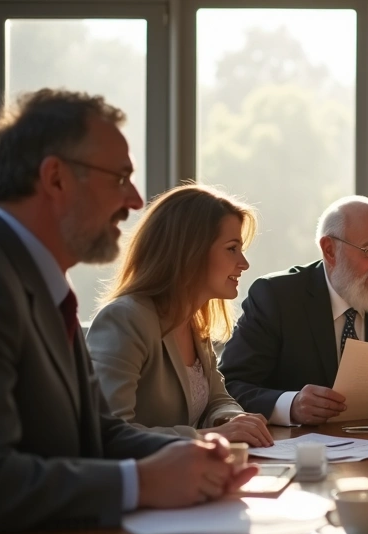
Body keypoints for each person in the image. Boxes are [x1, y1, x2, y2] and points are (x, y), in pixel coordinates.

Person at [0, 89, 255, 534]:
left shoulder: (44, 286)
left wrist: (196, 460)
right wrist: (143, 481)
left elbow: (100, 433)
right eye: (120, 177)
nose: (134, 199)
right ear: (56, 178)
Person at [219, 196, 368, 425]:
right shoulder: (277, 297)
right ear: (329, 250)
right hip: (301, 453)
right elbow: (230, 385)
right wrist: (290, 404)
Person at [86, 184, 273, 447]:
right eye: (232, 248)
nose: (244, 263)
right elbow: (106, 434)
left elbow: (218, 400)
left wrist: (230, 421)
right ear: (190, 251)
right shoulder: (125, 319)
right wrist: (209, 437)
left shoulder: (194, 322)